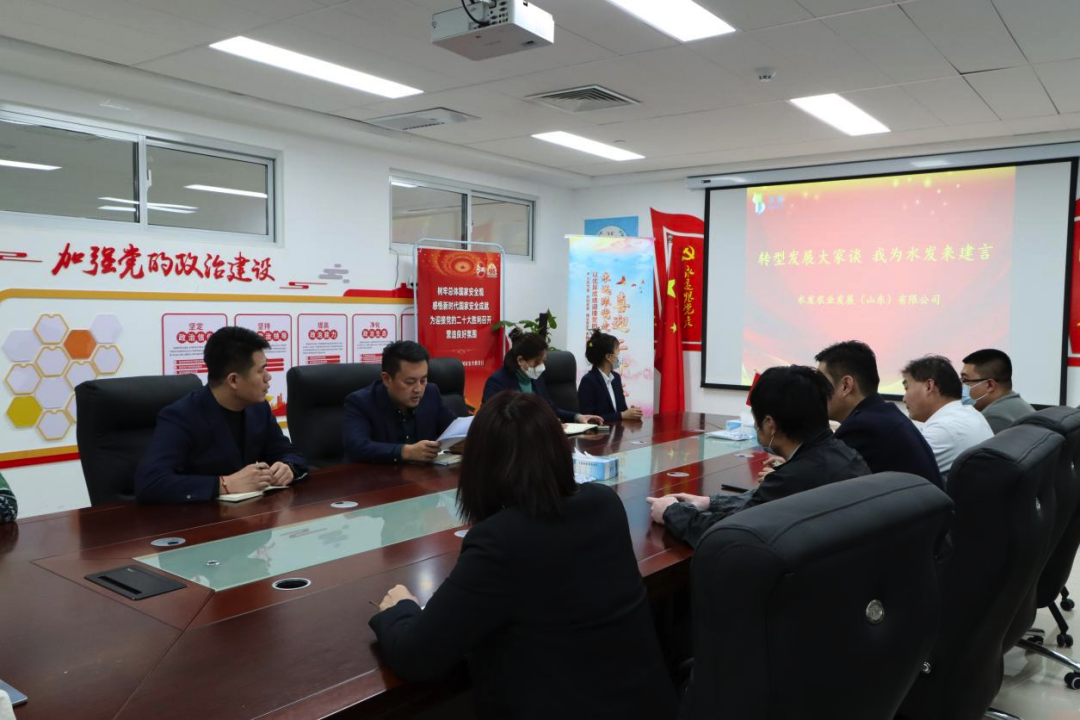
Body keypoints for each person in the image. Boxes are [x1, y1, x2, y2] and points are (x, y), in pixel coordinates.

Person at [368, 392, 677, 719]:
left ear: (479, 467)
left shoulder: (500, 540)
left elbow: (417, 657)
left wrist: (400, 609)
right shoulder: (604, 503)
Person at [646, 365, 871, 547]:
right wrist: (709, 502)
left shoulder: (795, 477)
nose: (755, 426)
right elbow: (762, 503)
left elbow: (724, 533)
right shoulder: (843, 454)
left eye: (756, 418)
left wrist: (671, 512)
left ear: (770, 424)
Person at [135, 326, 307, 503]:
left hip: (250, 513)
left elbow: (289, 453)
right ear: (233, 380)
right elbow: (150, 483)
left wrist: (288, 467)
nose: (268, 377)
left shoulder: (259, 409)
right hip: (198, 516)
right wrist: (224, 484)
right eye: (260, 370)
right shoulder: (181, 416)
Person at [815, 340, 943, 489]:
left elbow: (815, 480)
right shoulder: (884, 416)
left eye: (821, 384)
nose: (816, 392)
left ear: (846, 386)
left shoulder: (862, 428)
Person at [343, 340, 456, 464]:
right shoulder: (360, 402)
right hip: (376, 474)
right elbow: (356, 447)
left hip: (422, 474)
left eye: (423, 380)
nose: (418, 389)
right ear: (386, 379)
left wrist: (461, 442)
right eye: (410, 382)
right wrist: (405, 452)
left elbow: (453, 429)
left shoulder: (431, 393)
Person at [482, 329, 603, 425]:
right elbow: (493, 422)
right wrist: (542, 425)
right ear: (520, 360)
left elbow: (549, 408)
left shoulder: (536, 378)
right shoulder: (497, 382)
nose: (541, 366)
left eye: (543, 361)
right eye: (537, 362)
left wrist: (577, 417)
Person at [901, 354, 993, 477]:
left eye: (907, 388)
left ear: (929, 386)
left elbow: (894, 474)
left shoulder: (944, 428)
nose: (904, 398)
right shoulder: (969, 413)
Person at [960, 349, 1036, 434]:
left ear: (990, 385)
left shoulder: (993, 417)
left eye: (965, 380)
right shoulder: (1017, 404)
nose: (960, 385)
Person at [577, 328, 642, 423]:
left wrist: (630, 412)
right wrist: (621, 415)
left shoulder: (616, 378)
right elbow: (589, 418)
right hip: (597, 432)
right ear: (609, 357)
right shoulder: (588, 381)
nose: (620, 354)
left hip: (617, 430)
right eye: (618, 350)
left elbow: (621, 410)